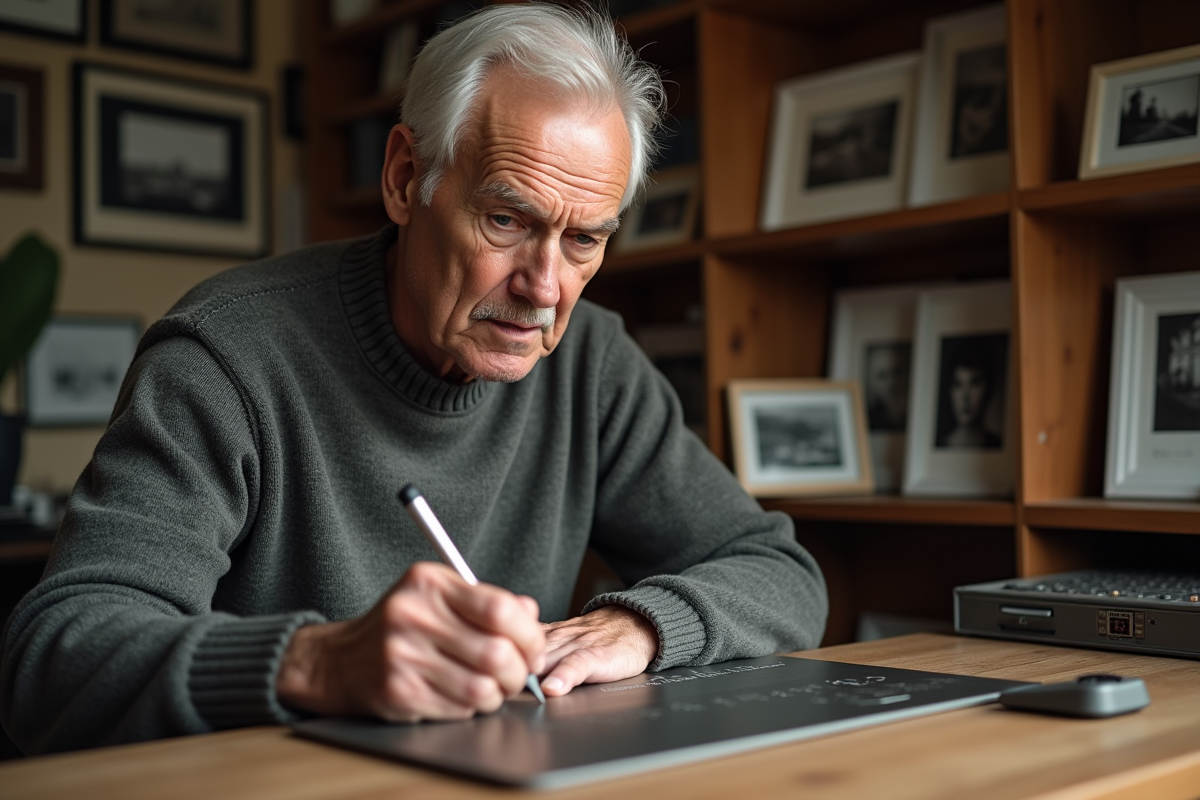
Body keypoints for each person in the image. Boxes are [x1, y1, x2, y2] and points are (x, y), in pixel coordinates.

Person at [0, 4, 827, 754]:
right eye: (507, 219)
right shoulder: (225, 356)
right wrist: (314, 661)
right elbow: (51, 661)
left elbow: (781, 573)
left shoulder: (591, 363)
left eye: (585, 241)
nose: (545, 287)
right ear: (405, 179)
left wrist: (647, 624)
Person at [935, 340, 1003, 449]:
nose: (965, 396)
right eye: (958, 384)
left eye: (974, 383)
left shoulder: (996, 443)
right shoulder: (939, 443)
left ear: (988, 388)